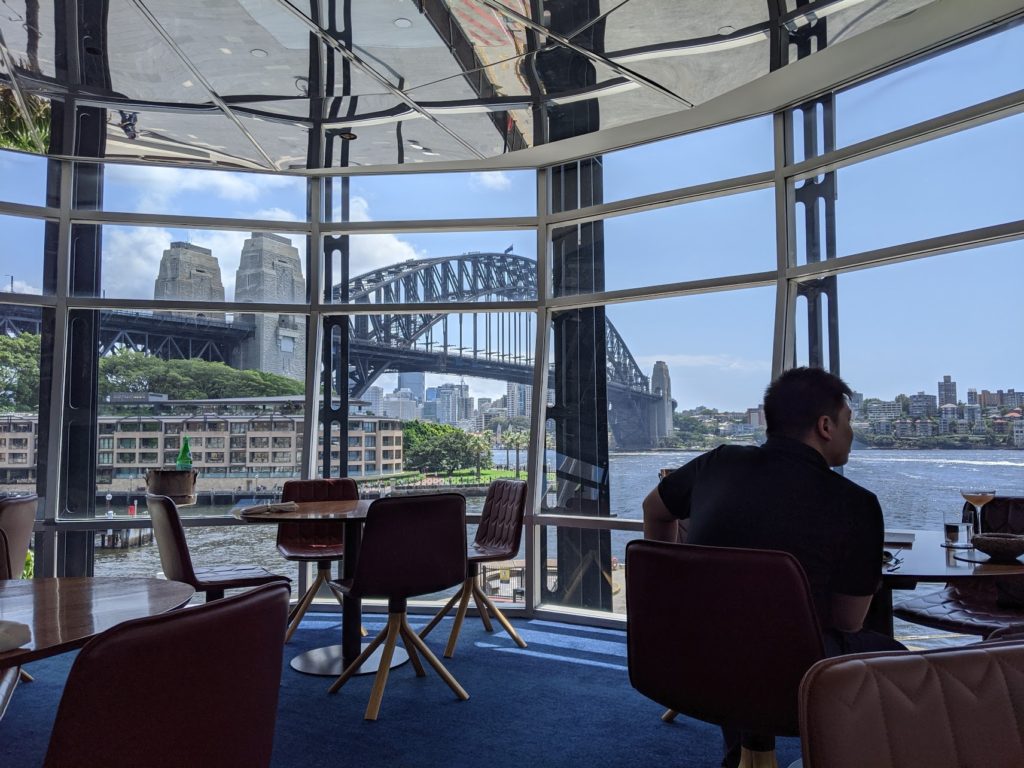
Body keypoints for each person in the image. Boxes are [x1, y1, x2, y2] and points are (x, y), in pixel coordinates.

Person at [642, 366, 905, 767]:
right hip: (793, 683)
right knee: (907, 666)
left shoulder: (716, 463)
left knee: (743, 636)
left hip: (687, 663)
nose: (853, 433)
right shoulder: (857, 504)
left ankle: (745, 757)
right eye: (849, 422)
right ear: (825, 426)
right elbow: (848, 622)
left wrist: (669, 584)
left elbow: (653, 510)